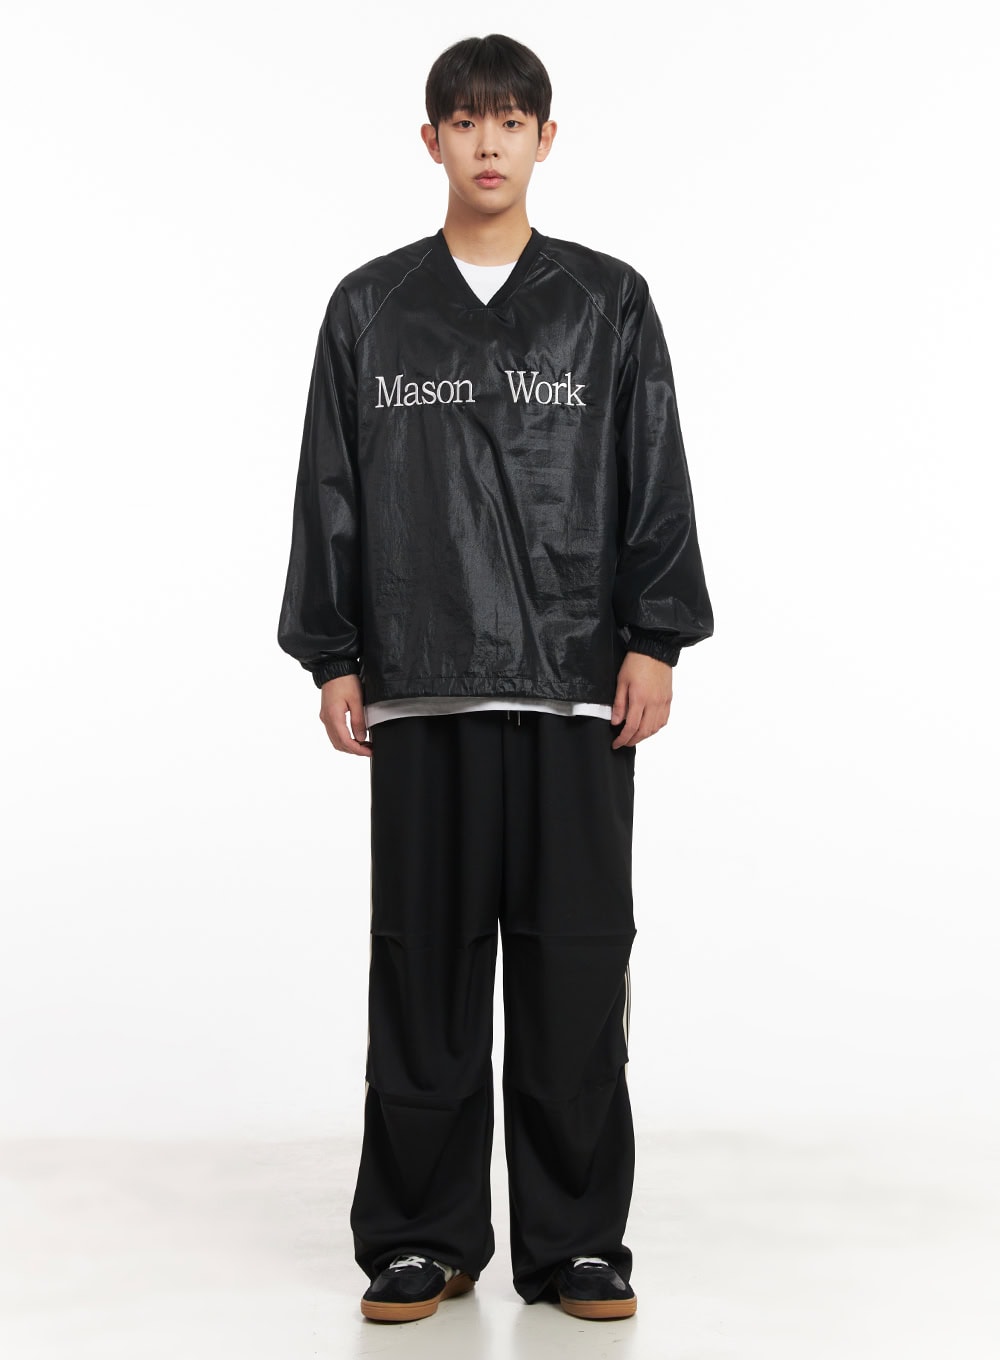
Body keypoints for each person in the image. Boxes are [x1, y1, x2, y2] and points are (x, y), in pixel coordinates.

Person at [276, 32, 714, 1325]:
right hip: (422, 688)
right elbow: (330, 483)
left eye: (510, 120)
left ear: (545, 139)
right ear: (431, 141)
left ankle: (576, 1243)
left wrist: (655, 635)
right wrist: (334, 652)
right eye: (464, 121)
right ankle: (422, 1236)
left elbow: (654, 468)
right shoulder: (371, 308)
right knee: (424, 973)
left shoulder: (606, 302)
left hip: (577, 691)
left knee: (576, 971)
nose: (487, 142)